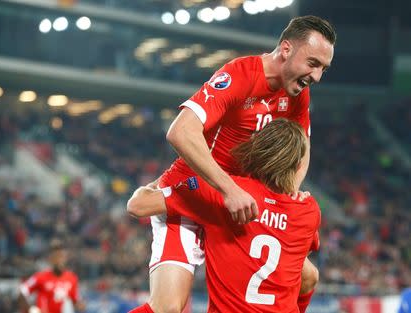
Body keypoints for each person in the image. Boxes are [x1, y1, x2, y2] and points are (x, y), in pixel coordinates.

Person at [141, 15, 335, 313]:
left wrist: (286, 194)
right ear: (286, 49)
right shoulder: (240, 74)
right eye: (312, 63)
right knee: (168, 308)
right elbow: (180, 131)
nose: (317, 76)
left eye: (323, 68)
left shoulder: (298, 92)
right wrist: (229, 189)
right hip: (198, 195)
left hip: (242, 205)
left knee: (307, 277)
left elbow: (301, 147)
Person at [128, 119, 321, 312]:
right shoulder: (309, 210)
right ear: (296, 167)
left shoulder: (226, 194)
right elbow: (299, 255)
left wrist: (161, 182)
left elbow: (137, 206)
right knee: (310, 275)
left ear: (254, 148)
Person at [18, 239, 85, 313]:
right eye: (56, 257)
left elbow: (76, 301)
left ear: (66, 258)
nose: (59, 260)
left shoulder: (72, 278)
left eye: (61, 256)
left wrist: (81, 305)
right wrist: (29, 309)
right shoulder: (40, 277)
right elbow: (22, 292)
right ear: (51, 259)